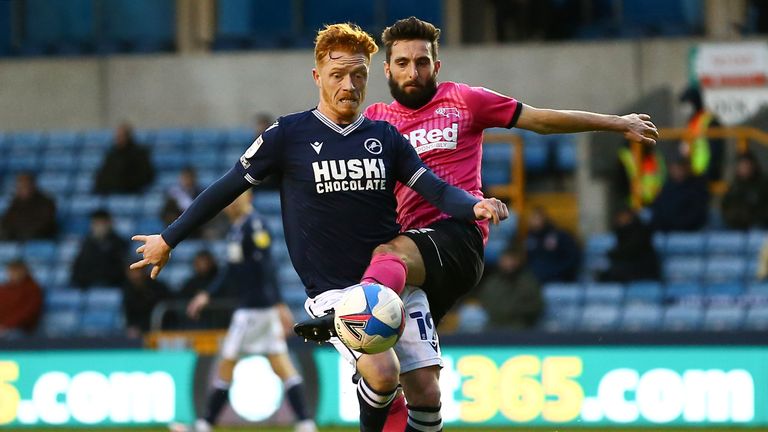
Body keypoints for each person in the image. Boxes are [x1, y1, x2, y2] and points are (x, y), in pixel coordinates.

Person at [130, 23, 507, 432]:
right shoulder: (287, 135)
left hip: (394, 286)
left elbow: (435, 189)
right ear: (317, 77)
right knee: (382, 373)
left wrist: (475, 205)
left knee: (426, 392)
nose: (350, 84)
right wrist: (168, 238)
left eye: (359, 75)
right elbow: (227, 187)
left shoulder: (386, 137)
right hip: (335, 293)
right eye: (338, 75)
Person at [294, 17, 659, 431]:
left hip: (455, 240)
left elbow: (540, 120)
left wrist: (617, 122)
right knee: (423, 391)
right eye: (402, 63)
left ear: (437, 65)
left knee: (387, 254)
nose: (413, 72)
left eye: (422, 62)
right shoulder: (376, 122)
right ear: (387, 69)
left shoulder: (465, 101)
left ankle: (346, 320)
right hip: (407, 270)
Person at [183, 190, 316, 432]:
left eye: (237, 197)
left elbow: (266, 268)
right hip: (255, 308)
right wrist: (207, 294)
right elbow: (231, 271)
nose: (231, 202)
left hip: (255, 309)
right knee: (281, 364)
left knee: (227, 362)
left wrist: (279, 305)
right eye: (230, 199)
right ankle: (306, 422)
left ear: (249, 197)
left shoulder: (255, 225)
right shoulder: (238, 228)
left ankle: (205, 424)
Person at [476, 248, 543, 329]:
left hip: (520, 326)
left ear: (518, 261)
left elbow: (536, 306)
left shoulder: (528, 282)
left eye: (511, 259)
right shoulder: (492, 282)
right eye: (505, 259)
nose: (508, 263)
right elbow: (485, 303)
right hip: (493, 325)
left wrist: (514, 312)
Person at [599, 207, 660, 282]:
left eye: (624, 216)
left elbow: (631, 250)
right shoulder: (620, 233)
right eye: (619, 217)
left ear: (631, 216)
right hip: (628, 270)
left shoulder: (641, 232)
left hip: (643, 270)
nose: (621, 219)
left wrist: (611, 254)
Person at [71, 209, 129, 289]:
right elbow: (79, 268)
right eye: (95, 224)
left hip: (113, 286)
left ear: (109, 224)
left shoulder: (120, 243)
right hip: (88, 286)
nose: (98, 228)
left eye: (101, 224)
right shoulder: (86, 244)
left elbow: (120, 269)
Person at [650, 156, 710, 232]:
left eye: (679, 168)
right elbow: (658, 211)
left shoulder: (697, 188)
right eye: (674, 168)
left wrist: (673, 225)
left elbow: (696, 215)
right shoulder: (667, 188)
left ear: (686, 167)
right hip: (667, 234)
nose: (677, 171)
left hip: (690, 234)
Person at [94, 122, 155, 194]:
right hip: (111, 192)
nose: (117, 139)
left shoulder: (139, 153)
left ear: (128, 137)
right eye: (116, 137)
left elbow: (147, 176)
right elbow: (103, 175)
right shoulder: (111, 155)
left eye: (120, 136)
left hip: (132, 192)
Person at [679, 85, 724, 181]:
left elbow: (716, 151)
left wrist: (710, 172)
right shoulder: (691, 123)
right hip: (693, 174)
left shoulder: (710, 121)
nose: (684, 109)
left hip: (706, 175)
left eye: (687, 105)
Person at [526, 207, 582, 283]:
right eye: (531, 218)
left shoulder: (560, 236)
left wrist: (559, 272)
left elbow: (573, 257)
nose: (532, 221)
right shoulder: (530, 238)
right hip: (536, 280)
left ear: (544, 219)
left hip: (560, 278)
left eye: (535, 218)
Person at [0, 172, 57, 241]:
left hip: (39, 238)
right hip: (17, 237)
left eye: (25, 185)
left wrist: (20, 231)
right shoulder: (15, 202)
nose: (22, 189)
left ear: (32, 185)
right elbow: (7, 220)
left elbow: (45, 224)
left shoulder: (46, 202)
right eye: (19, 186)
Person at [721, 152, 768, 230]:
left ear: (753, 166)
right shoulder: (734, 186)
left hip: (759, 225)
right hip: (735, 225)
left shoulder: (763, 184)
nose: (744, 168)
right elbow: (725, 205)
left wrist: (753, 216)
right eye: (741, 166)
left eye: (746, 165)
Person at [122, 266, 171, 336]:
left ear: (144, 271)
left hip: (161, 327)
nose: (135, 275)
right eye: (132, 272)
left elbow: (166, 312)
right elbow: (129, 315)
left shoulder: (158, 288)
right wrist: (132, 327)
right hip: (138, 330)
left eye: (137, 271)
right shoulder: (128, 291)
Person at [0, 259, 43, 338]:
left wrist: (6, 325)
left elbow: (28, 312)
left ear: (24, 271)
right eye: (11, 270)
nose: (12, 273)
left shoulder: (33, 289)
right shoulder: (3, 288)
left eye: (16, 270)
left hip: (20, 329)